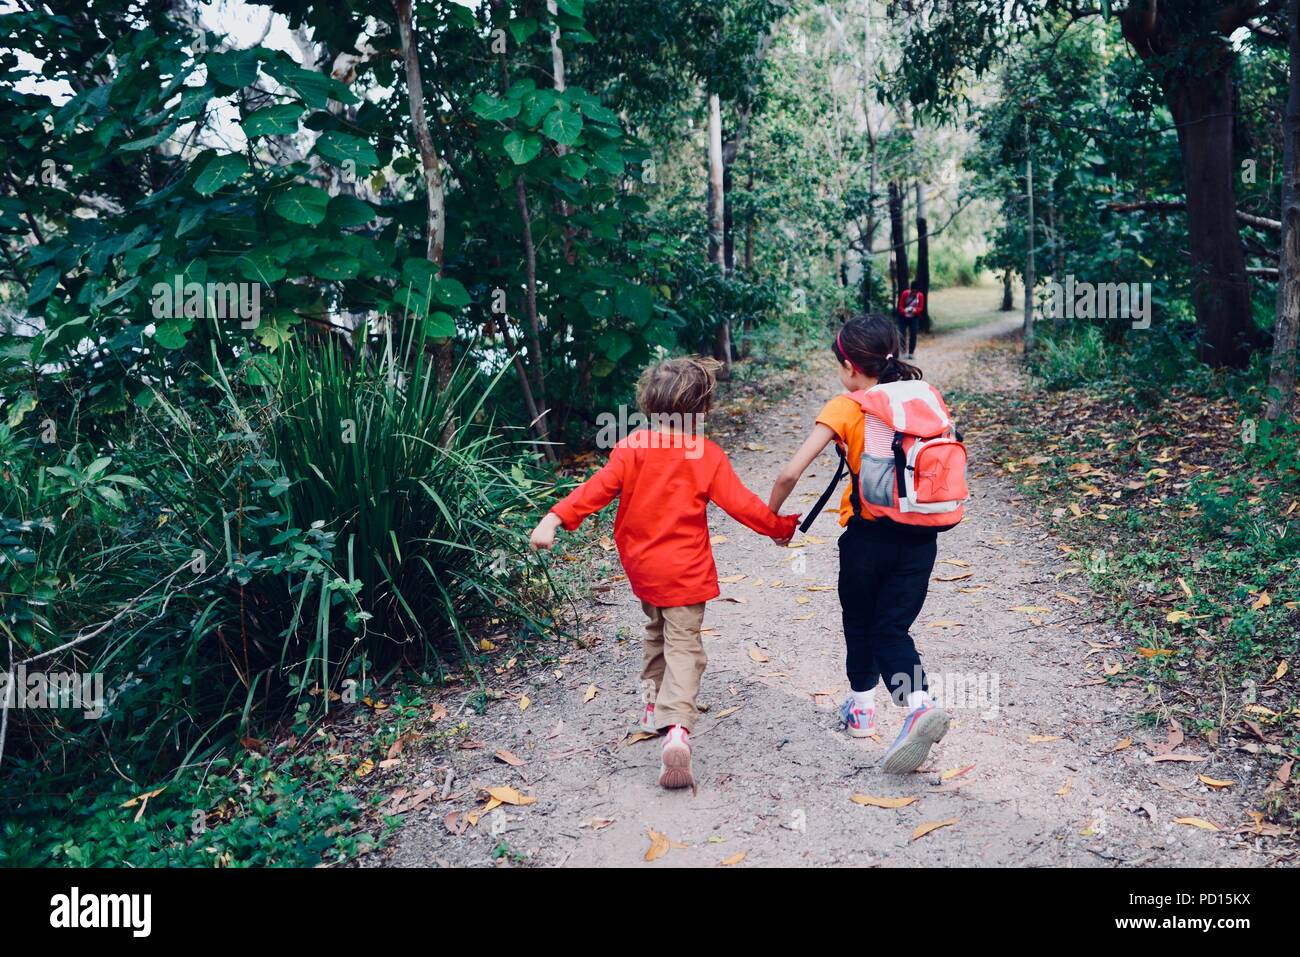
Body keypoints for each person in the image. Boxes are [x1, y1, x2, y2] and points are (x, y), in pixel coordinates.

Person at [530, 357, 798, 790]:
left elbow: (593, 490)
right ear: (703, 410)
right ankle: (677, 729)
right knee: (685, 646)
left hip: (643, 569)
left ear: (650, 406)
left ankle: (654, 707)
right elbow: (744, 505)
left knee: (656, 633)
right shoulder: (705, 455)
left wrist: (553, 519)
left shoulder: (632, 447)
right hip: (685, 573)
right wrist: (780, 529)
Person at [767, 314, 957, 774]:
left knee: (862, 622)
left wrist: (772, 518)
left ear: (850, 366)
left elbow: (791, 472)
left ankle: (901, 705)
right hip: (921, 539)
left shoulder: (848, 405)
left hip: (866, 539)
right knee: (893, 626)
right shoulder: (923, 397)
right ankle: (888, 704)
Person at [896, 285, 925, 360]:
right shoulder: (905, 294)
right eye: (913, 291)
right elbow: (900, 307)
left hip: (914, 317)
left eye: (915, 292)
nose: (914, 293)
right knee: (902, 333)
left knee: (913, 334)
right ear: (910, 289)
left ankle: (911, 353)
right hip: (903, 317)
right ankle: (903, 352)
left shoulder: (920, 296)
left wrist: (915, 310)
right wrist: (905, 311)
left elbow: (921, 308)